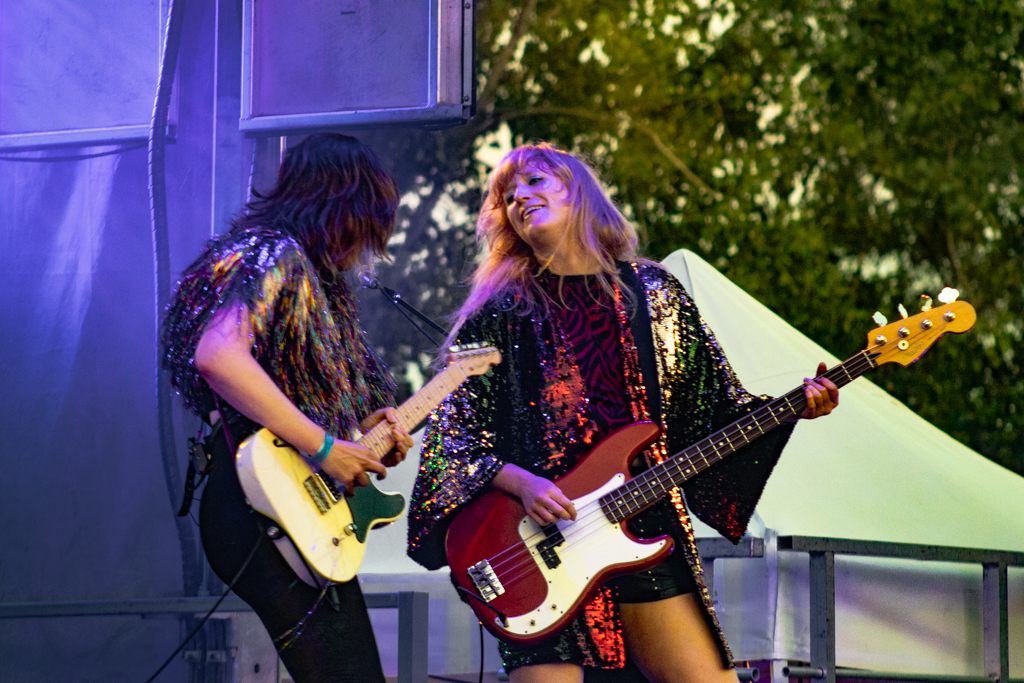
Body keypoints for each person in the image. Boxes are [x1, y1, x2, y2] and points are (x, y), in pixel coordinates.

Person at [406, 142, 838, 683]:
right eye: (508, 196)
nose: (519, 198)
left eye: (535, 182)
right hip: (535, 543)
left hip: (643, 525)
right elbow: (452, 437)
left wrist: (793, 409)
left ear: (579, 191)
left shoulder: (655, 294)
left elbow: (713, 409)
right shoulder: (500, 312)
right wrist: (523, 483)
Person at [161, 133, 414, 683]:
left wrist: (366, 430)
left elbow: (305, 386)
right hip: (257, 497)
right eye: (366, 221)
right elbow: (218, 356)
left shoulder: (322, 287)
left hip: (288, 498)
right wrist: (323, 447)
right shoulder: (273, 254)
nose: (366, 242)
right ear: (340, 206)